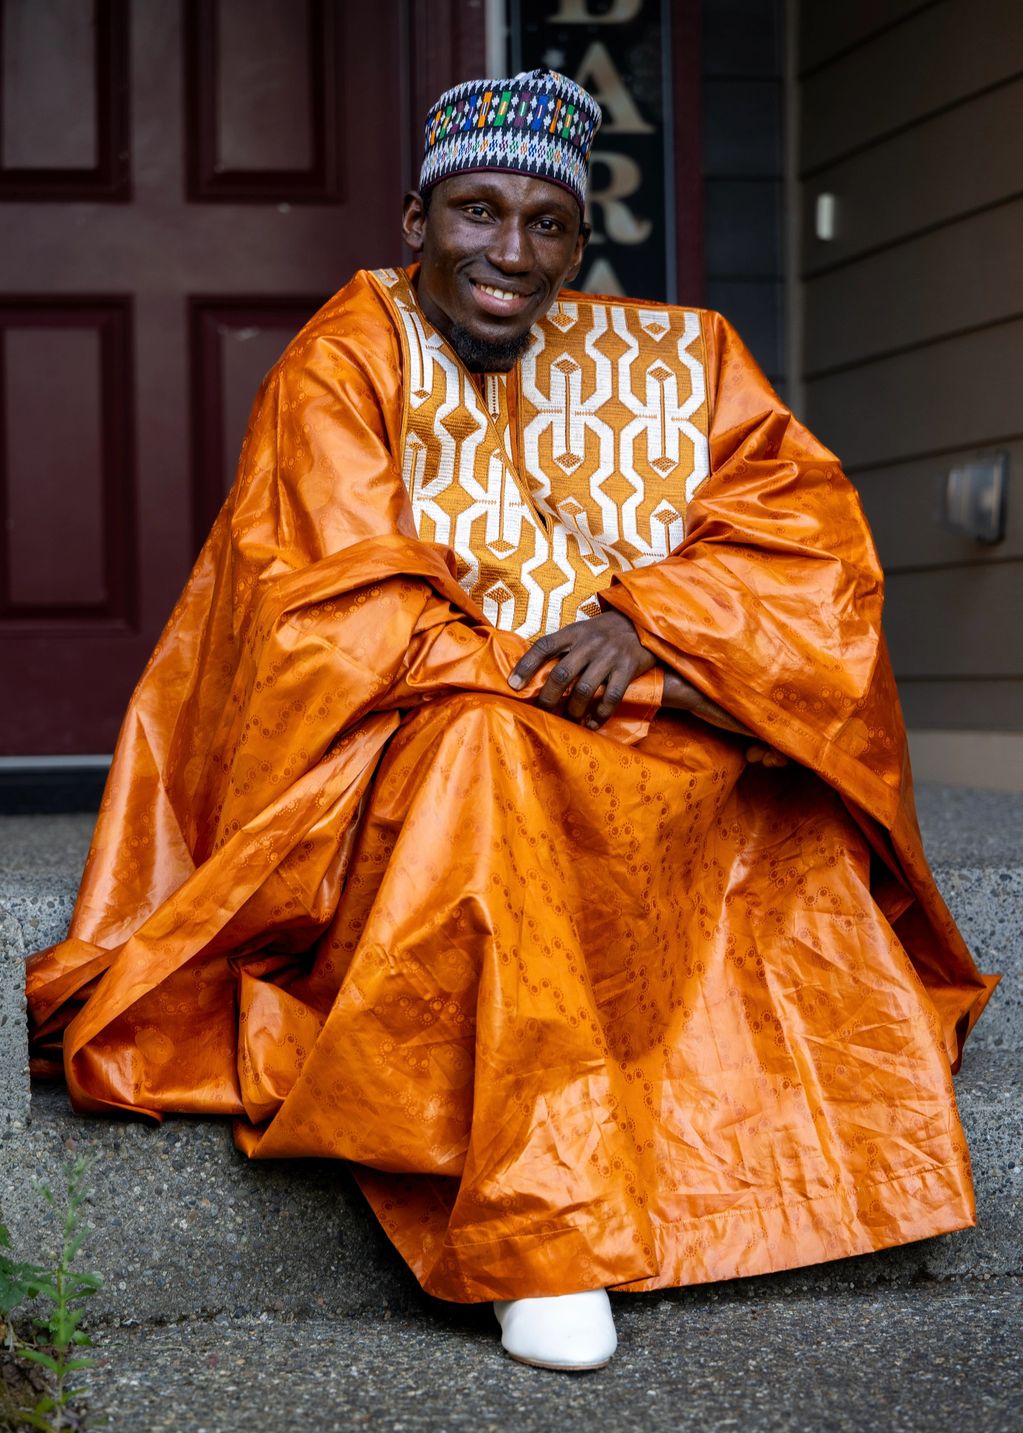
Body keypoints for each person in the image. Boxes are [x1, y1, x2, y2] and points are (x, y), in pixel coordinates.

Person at [26, 70, 996, 1372]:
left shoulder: (687, 358)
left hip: (655, 744)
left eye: (547, 224)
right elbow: (337, 607)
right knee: (480, 760)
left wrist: (648, 627)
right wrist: (615, 685)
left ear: (579, 246)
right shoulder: (346, 358)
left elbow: (803, 547)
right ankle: (540, 1233)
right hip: (426, 747)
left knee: (767, 789)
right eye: (477, 212)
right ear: (414, 221)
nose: (511, 252)